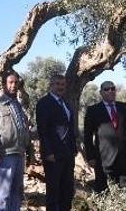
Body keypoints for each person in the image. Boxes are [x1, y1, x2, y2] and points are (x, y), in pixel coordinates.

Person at [0, 70, 32, 211]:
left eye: (16, 82)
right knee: (3, 194)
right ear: (4, 85)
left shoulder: (18, 105)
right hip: (5, 155)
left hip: (20, 154)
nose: (14, 85)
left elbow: (24, 130)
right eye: (10, 82)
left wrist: (29, 152)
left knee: (17, 192)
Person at [83, 80, 126, 193]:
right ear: (101, 92)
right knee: (103, 192)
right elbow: (87, 135)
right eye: (106, 89)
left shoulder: (125, 107)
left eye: (113, 88)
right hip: (103, 160)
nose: (110, 91)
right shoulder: (93, 110)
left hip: (124, 159)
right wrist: (90, 157)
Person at [36, 74, 77, 211]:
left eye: (63, 84)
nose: (60, 87)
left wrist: (74, 150)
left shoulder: (66, 103)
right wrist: (48, 152)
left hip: (68, 154)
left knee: (67, 190)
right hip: (53, 155)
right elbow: (43, 130)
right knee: (54, 191)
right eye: (57, 84)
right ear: (51, 85)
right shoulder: (44, 103)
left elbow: (70, 128)